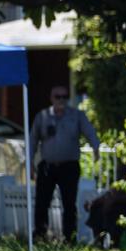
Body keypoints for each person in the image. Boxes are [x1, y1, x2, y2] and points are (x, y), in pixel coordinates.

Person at [29, 85, 100, 242]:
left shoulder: (76, 116)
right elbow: (33, 140)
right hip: (47, 166)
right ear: (51, 98)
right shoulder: (43, 116)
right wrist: (30, 164)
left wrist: (96, 147)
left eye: (64, 97)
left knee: (69, 204)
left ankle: (69, 237)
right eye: (57, 96)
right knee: (42, 203)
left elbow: (89, 131)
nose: (61, 100)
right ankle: (41, 235)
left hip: (69, 166)